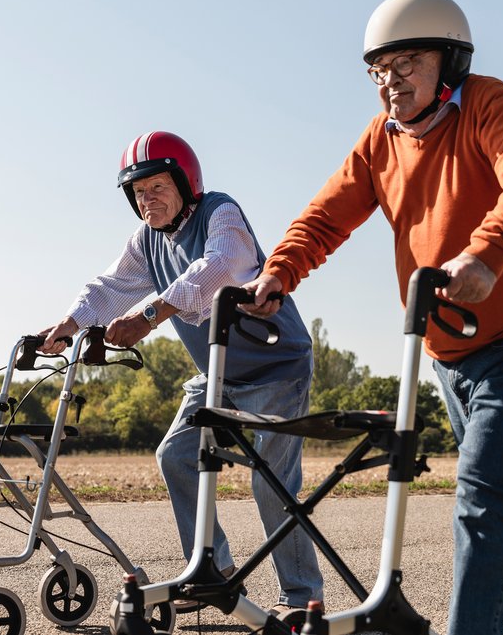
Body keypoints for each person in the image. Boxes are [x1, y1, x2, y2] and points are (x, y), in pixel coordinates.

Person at [242, 0, 503, 634]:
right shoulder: (380, 141)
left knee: (482, 494)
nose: (391, 81)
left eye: (407, 62)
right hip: (448, 350)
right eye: (379, 70)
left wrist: (486, 253)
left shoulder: (487, 104)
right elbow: (327, 215)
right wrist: (280, 269)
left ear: (450, 60)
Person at [38, 130, 323, 612]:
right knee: (175, 456)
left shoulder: (220, 213)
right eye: (138, 192)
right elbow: (110, 288)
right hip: (216, 374)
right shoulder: (147, 240)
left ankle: (301, 597)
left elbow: (219, 269)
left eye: (158, 187)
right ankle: (215, 571)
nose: (147, 199)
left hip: (275, 368)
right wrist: (70, 323)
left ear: (186, 182)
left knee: (271, 483)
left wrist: (150, 315)